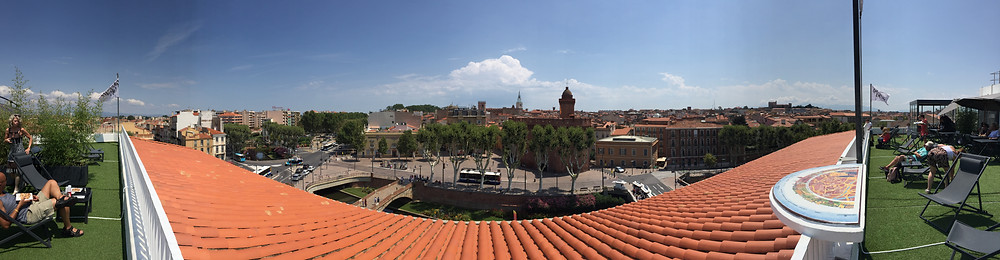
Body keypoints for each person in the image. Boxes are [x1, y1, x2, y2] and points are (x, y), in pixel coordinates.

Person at [0, 174, 83, 237]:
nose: (7, 182)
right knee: (61, 203)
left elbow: (13, 200)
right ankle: (68, 229)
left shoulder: (2, 192)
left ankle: (62, 198)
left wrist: (30, 197)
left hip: (31, 204)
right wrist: (20, 205)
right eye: (5, 180)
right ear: (1, 184)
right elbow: (5, 225)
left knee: (51, 183)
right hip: (29, 214)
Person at [4, 114, 32, 194]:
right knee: (10, 171)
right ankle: (22, 182)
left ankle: (16, 188)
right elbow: (5, 139)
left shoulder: (21, 130)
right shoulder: (8, 130)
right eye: (15, 120)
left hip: (20, 151)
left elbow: (30, 137)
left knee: (17, 171)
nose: (17, 122)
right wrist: (6, 140)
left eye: (18, 121)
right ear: (11, 121)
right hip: (12, 151)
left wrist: (28, 148)